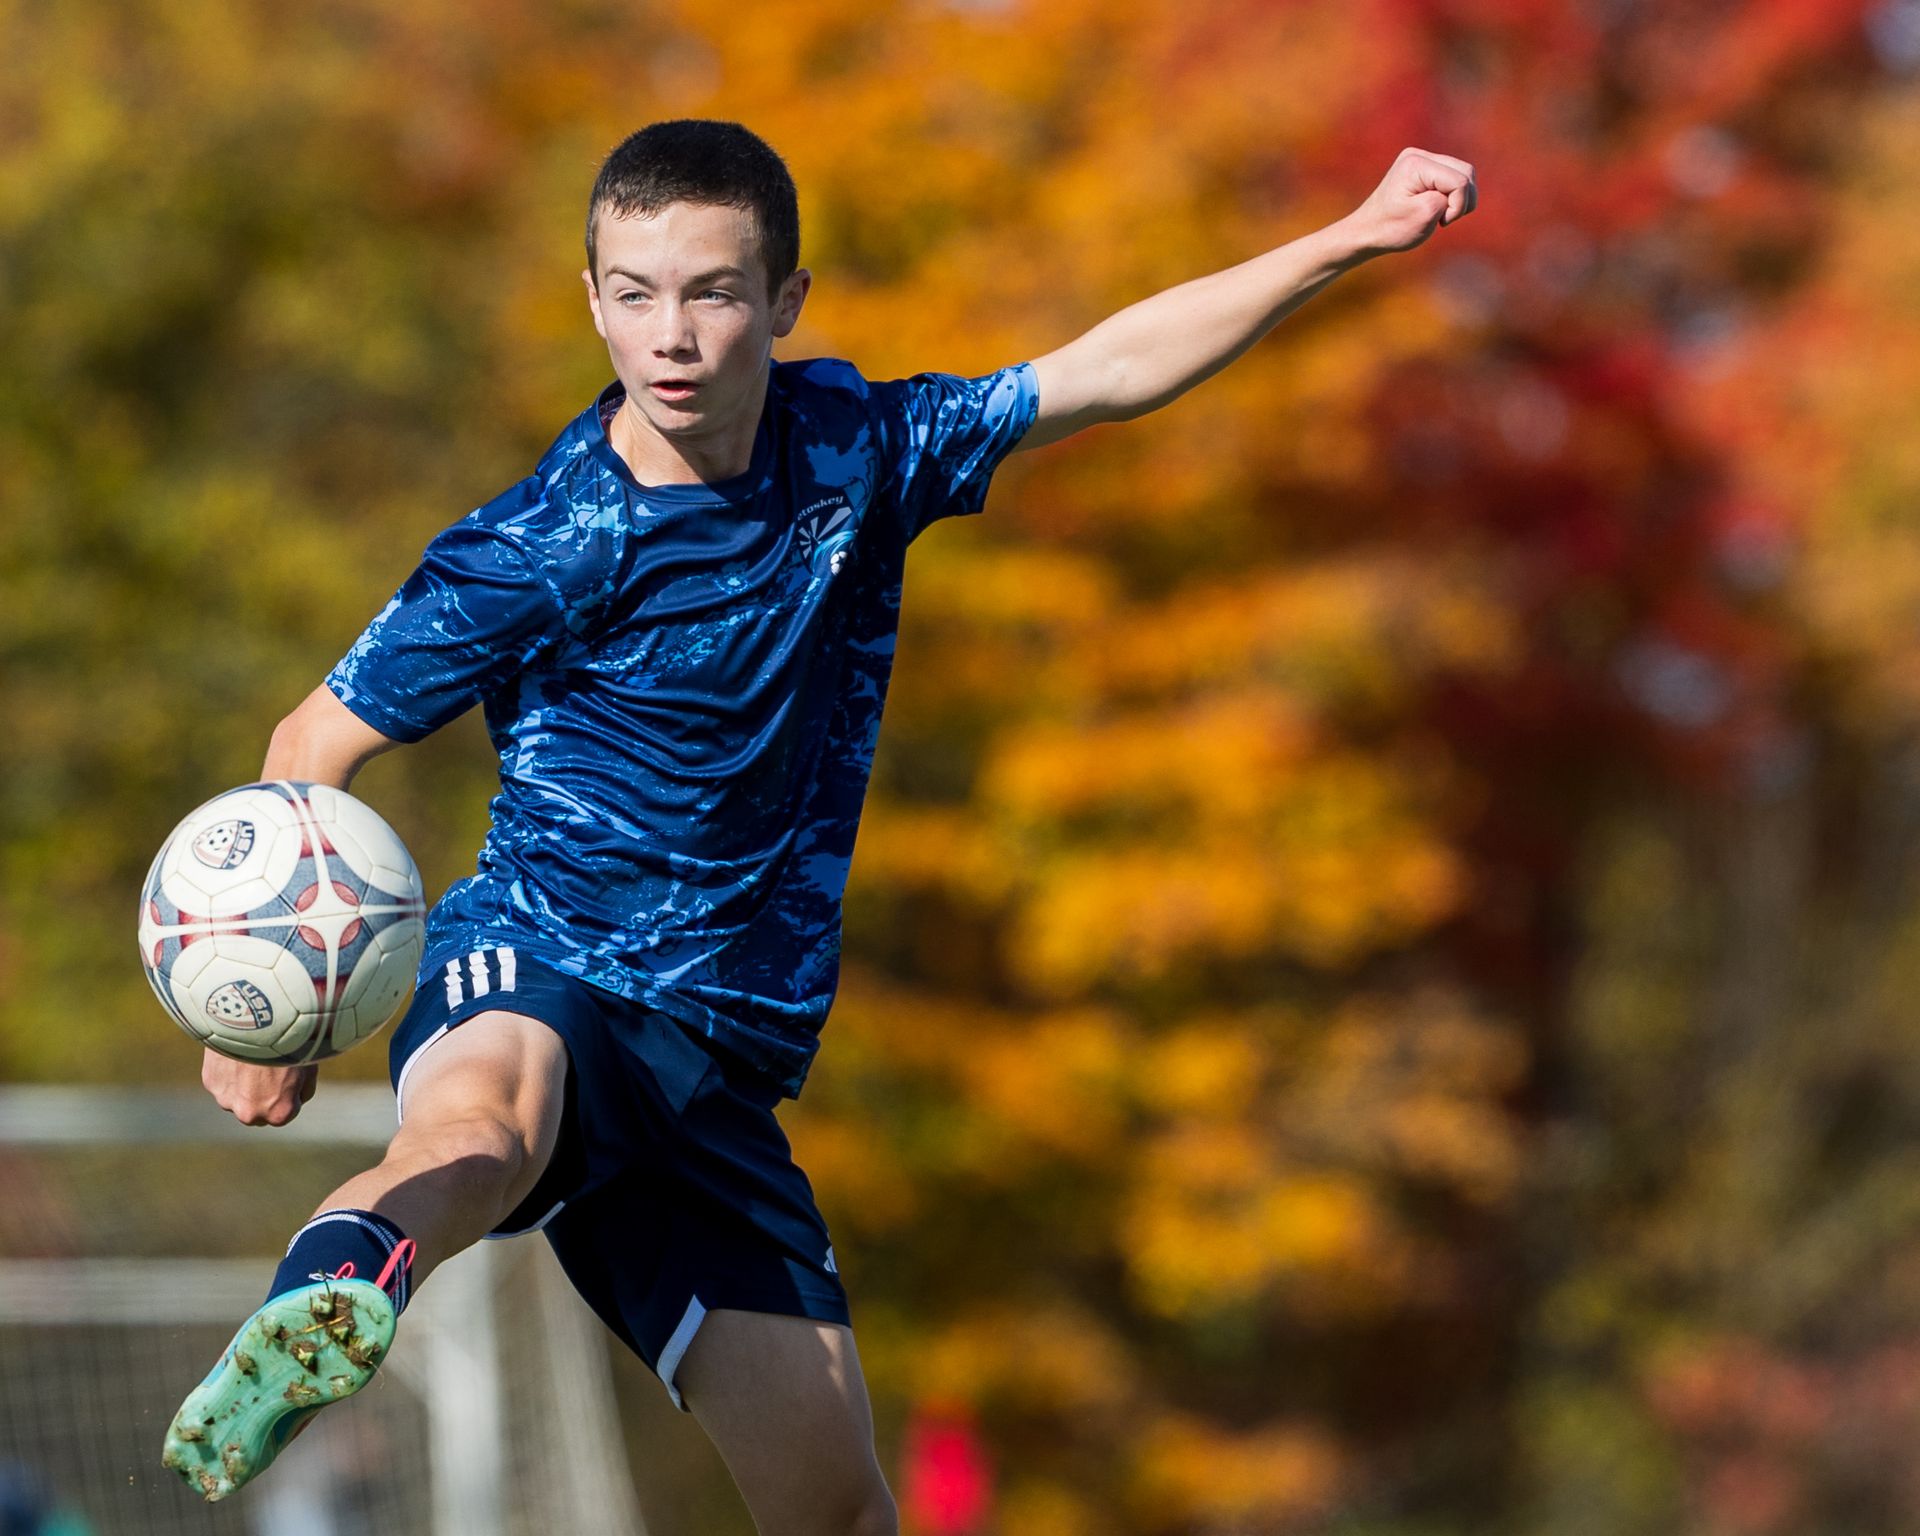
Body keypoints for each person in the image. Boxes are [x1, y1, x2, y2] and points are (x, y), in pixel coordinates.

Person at [163, 119, 1475, 1526]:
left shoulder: (856, 449)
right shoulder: (543, 541)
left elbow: (1103, 371)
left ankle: (370, 1269)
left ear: (785, 301)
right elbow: (313, 745)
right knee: (494, 1123)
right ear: (592, 298)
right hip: (542, 958)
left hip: (715, 1061)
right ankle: (336, 1288)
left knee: (839, 1509)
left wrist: (1348, 239)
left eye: (712, 292)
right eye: (635, 293)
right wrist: (264, 1022)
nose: (671, 335)